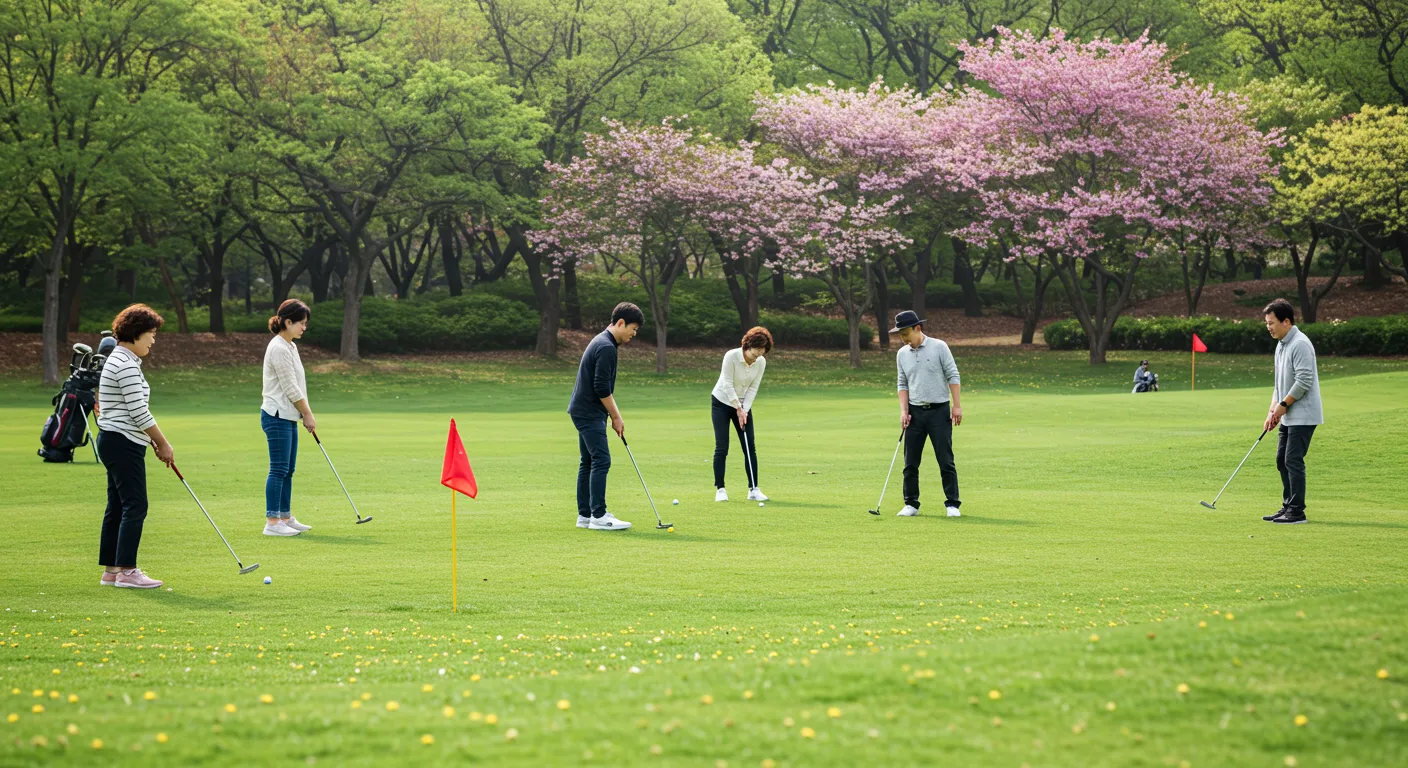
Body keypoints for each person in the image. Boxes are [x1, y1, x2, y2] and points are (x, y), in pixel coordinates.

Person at [94, 304, 172, 589]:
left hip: (117, 439)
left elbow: (131, 412)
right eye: (151, 333)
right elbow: (139, 413)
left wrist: (150, 439)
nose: (153, 339)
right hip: (122, 442)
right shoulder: (124, 364)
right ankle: (127, 571)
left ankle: (112, 570)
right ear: (136, 333)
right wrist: (162, 442)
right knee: (135, 505)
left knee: (118, 504)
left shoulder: (120, 359)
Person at [567, 302, 643, 531]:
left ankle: (585, 515)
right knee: (601, 460)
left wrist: (610, 416)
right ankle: (599, 516)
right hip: (589, 412)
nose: (633, 334)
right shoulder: (607, 346)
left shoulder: (603, 341)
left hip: (584, 410)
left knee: (589, 461)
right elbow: (601, 387)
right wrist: (616, 417)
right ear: (620, 323)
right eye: (633, 328)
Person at [891, 310, 964, 518]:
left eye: (905, 333)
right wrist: (904, 411)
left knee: (945, 460)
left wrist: (956, 406)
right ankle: (911, 503)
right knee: (910, 462)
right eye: (900, 335)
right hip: (915, 413)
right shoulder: (902, 354)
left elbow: (953, 374)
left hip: (939, 412)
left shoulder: (939, 347)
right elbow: (902, 383)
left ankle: (952, 504)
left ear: (918, 328)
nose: (903, 338)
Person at [1261, 298, 1322, 525]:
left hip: (1303, 414)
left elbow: (1303, 381)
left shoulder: (1300, 344)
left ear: (1286, 322)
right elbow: (1279, 383)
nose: (1268, 327)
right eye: (1266, 323)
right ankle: (1288, 505)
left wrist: (1283, 405)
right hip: (1288, 414)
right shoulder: (1282, 344)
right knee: (1281, 460)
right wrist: (1272, 411)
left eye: (1271, 322)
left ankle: (1297, 511)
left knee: (1293, 460)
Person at [261, 299, 316, 537]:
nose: (304, 327)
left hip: (288, 416)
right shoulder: (278, 348)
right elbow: (290, 388)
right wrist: (307, 413)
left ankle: (285, 516)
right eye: (301, 323)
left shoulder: (291, 346)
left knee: (288, 469)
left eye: (305, 323)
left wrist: (302, 413)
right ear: (287, 321)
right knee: (279, 468)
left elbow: (297, 386)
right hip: (276, 415)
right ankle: (272, 522)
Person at [710, 326, 772, 502]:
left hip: (744, 405)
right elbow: (727, 384)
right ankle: (720, 489)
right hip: (721, 402)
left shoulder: (761, 362)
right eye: (756, 351)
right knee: (722, 447)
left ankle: (753, 489)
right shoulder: (731, 356)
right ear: (747, 346)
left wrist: (744, 409)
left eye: (762, 352)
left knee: (749, 446)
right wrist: (737, 407)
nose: (758, 355)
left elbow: (753, 387)